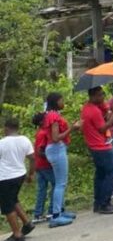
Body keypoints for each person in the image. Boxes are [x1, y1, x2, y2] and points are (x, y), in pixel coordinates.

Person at [79, 86, 113, 215]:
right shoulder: (94, 111)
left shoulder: (87, 108)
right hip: (101, 146)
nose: (103, 97)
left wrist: (108, 110)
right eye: (101, 95)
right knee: (112, 171)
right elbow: (102, 128)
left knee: (101, 174)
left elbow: (103, 114)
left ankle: (98, 202)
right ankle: (105, 203)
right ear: (94, 96)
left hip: (94, 146)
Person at [41, 92, 76, 227]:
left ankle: (60, 210)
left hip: (54, 149)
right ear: (56, 101)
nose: (63, 102)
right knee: (60, 183)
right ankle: (56, 215)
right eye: (61, 100)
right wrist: (72, 129)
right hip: (56, 149)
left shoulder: (51, 114)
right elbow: (55, 137)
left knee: (59, 182)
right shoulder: (54, 116)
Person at [0, 116, 35, 241]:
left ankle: (17, 234)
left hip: (5, 178)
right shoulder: (25, 140)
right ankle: (27, 223)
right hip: (20, 174)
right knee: (13, 199)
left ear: (7, 128)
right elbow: (32, 158)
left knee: (7, 206)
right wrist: (31, 174)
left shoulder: (2, 143)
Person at [31, 113, 54, 223]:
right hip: (44, 164)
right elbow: (40, 151)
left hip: (38, 165)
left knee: (42, 189)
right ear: (41, 122)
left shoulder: (39, 132)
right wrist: (51, 158)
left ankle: (38, 214)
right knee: (56, 184)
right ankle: (51, 211)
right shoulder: (43, 133)